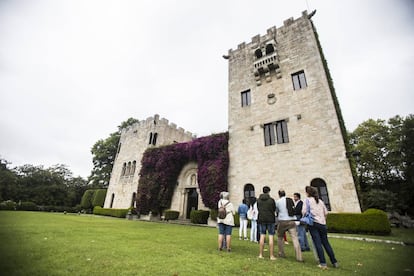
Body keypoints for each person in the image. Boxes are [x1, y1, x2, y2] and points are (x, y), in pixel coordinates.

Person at [303, 186, 339, 269]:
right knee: (326, 243)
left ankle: (323, 263)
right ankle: (334, 261)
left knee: (318, 243)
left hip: (313, 224)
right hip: (322, 224)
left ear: (308, 193)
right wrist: (323, 220)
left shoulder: (307, 200)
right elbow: (326, 213)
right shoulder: (320, 201)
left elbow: (304, 211)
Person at [275, 190, 303, 262]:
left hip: (282, 221)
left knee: (280, 237)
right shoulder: (290, 200)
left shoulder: (278, 202)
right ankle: (299, 257)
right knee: (295, 238)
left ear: (279, 195)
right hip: (291, 221)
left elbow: (277, 211)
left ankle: (281, 253)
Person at [257, 186, 277, 260]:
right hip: (270, 219)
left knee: (262, 235)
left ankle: (260, 254)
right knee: (271, 236)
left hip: (261, 219)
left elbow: (258, 208)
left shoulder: (258, 200)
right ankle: (271, 255)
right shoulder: (271, 200)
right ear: (269, 191)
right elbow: (274, 209)